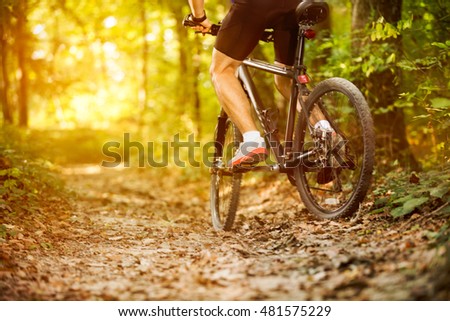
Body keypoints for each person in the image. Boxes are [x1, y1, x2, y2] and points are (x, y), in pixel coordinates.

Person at [186, 0, 332, 166]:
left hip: (254, 6)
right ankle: (327, 132)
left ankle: (252, 141)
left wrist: (198, 17)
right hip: (297, 5)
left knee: (221, 70)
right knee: (286, 79)